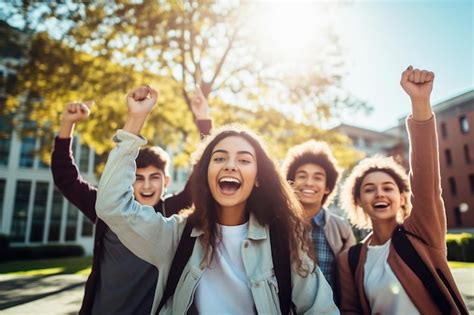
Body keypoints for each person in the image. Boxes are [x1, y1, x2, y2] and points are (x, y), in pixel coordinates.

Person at [95, 85, 339, 314]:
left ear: (258, 178)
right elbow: (112, 206)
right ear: (206, 174)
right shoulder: (176, 236)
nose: (230, 166)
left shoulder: (284, 240)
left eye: (243, 160)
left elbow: (322, 309)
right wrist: (135, 121)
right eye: (220, 158)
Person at [51, 85, 212, 314]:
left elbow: (202, 175)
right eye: (138, 178)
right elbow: (66, 178)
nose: (146, 185)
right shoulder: (106, 206)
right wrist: (67, 124)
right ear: (127, 180)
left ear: (165, 182)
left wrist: (203, 120)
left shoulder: (173, 212)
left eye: (154, 178)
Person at [337, 66, 468, 314]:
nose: (380, 194)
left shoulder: (421, 233)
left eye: (388, 187)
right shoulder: (350, 260)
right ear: (358, 201)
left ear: (402, 197)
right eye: (369, 189)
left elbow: (426, 180)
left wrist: (420, 102)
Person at [282, 140, 355, 291]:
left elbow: (350, 282)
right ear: (291, 183)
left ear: (327, 187)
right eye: (302, 176)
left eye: (317, 177)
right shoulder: (275, 223)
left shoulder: (342, 229)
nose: (309, 183)